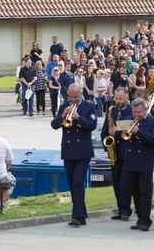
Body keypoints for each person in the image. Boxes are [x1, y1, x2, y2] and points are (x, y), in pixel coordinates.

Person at [51, 84, 98, 227]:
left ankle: (76, 216)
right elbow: (54, 125)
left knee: (78, 182)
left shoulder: (89, 106)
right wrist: (62, 116)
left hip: (83, 151)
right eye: (70, 96)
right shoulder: (64, 106)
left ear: (81, 94)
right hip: (68, 150)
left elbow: (92, 125)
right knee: (72, 184)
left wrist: (78, 118)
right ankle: (81, 214)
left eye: (75, 97)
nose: (72, 100)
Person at [121, 98, 154, 232]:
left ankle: (146, 220)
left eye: (139, 112)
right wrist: (120, 132)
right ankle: (139, 218)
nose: (136, 115)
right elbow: (120, 137)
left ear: (145, 110)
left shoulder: (153, 122)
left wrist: (138, 132)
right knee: (135, 192)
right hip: (131, 161)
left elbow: (153, 139)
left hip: (145, 162)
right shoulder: (127, 120)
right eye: (134, 112)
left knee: (145, 192)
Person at [101, 88, 133, 221]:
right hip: (114, 152)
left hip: (127, 152)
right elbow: (104, 131)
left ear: (126, 98)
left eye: (121, 99)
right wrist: (107, 145)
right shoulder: (112, 111)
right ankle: (120, 209)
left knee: (125, 183)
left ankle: (126, 210)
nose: (118, 101)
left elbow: (128, 128)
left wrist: (116, 132)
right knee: (116, 182)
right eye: (116, 98)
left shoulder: (132, 111)